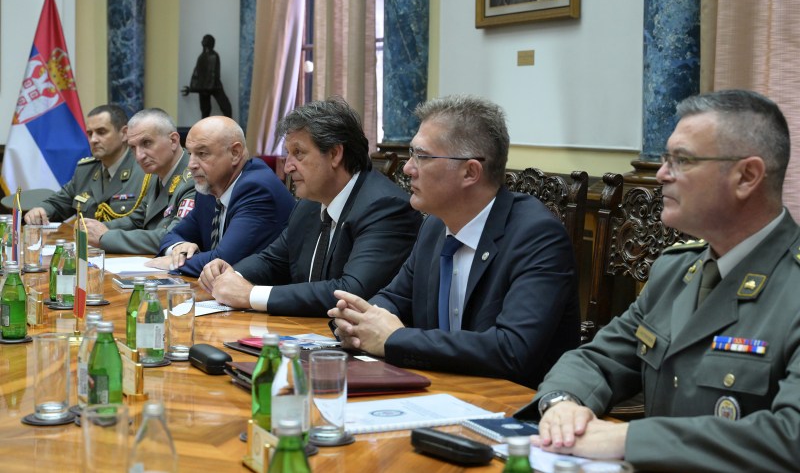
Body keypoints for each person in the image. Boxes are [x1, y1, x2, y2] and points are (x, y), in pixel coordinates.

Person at [523, 89, 800, 471]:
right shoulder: (677, 270)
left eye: (681, 160)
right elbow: (598, 359)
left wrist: (627, 440)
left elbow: (790, 436)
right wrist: (563, 404)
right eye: (666, 159)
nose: (662, 174)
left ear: (746, 176)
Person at [328, 94, 580, 388]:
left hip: (514, 401)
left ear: (470, 172)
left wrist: (395, 339)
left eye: (422, 156)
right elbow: (395, 299)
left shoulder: (537, 237)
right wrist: (357, 322)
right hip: (442, 389)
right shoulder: (434, 226)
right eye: (411, 154)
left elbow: (511, 350)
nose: (408, 168)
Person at [198, 97, 423, 316]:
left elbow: (351, 292)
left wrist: (251, 295)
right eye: (288, 154)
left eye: (298, 153)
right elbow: (272, 260)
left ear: (335, 154)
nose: (288, 167)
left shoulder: (385, 208)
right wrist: (231, 275)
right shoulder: (308, 205)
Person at [148, 116, 295, 277]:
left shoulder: (257, 189)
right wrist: (179, 249)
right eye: (190, 153)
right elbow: (172, 235)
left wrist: (173, 263)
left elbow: (224, 261)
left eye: (202, 153)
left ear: (235, 153)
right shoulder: (210, 189)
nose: (191, 164)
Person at [82, 108, 195, 254]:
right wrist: (95, 228)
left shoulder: (193, 179)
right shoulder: (155, 174)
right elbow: (138, 219)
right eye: (133, 148)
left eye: (147, 143)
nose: (139, 156)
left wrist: (106, 237)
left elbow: (173, 237)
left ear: (173, 141)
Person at [24, 104, 147, 224]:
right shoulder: (86, 170)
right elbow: (58, 204)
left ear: (124, 134)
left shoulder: (145, 171)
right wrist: (41, 210)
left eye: (101, 132)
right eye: (89, 134)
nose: (93, 140)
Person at [181, 34, 232, 118]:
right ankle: (204, 125)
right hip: (203, 87)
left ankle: (230, 123)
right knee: (205, 110)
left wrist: (196, 89)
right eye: (203, 39)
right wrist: (193, 88)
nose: (202, 41)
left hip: (214, 86)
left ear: (210, 42)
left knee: (225, 106)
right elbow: (196, 73)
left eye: (205, 39)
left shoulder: (213, 56)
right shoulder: (201, 57)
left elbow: (213, 75)